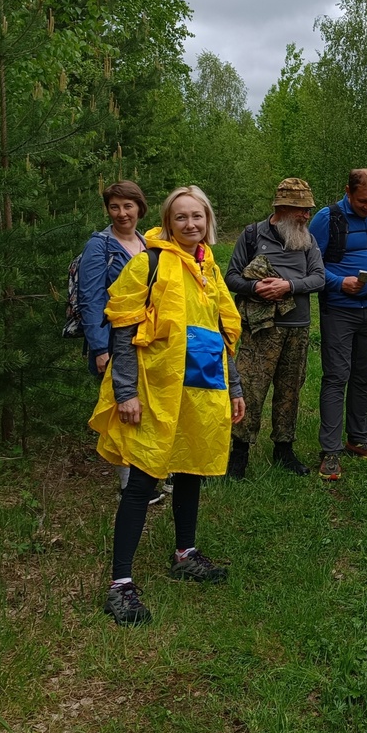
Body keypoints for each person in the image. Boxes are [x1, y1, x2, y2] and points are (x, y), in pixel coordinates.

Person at [90, 185, 246, 626]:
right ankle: (120, 585)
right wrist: (125, 393)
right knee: (142, 480)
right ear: (168, 221)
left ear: (208, 221)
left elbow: (221, 334)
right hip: (154, 387)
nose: (190, 225)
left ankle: (185, 553)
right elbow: (122, 327)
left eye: (197, 217)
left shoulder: (209, 267)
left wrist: (234, 388)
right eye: (181, 218)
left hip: (201, 388)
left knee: (192, 467)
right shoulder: (150, 262)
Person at [224, 178, 325, 479]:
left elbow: (319, 278)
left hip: (298, 328)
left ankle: (284, 449)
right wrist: (256, 287)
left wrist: (288, 286)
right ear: (283, 208)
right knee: (251, 389)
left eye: (308, 210)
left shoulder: (307, 239)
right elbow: (230, 277)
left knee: (290, 390)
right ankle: (238, 453)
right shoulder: (253, 234)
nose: (307, 216)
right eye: (302, 211)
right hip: (260, 329)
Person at [309, 168, 367, 481]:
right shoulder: (327, 218)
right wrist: (338, 283)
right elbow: (312, 265)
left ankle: (357, 439)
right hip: (339, 310)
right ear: (348, 192)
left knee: (363, 377)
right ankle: (330, 451)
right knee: (336, 377)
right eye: (363, 201)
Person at [77, 181, 165, 506]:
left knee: (146, 405)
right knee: (124, 410)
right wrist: (100, 349)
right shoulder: (99, 245)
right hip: (115, 341)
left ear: (140, 207)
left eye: (128, 206)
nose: (122, 213)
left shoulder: (148, 243)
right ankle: (131, 487)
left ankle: (149, 475)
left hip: (147, 341)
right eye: (115, 206)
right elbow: (90, 298)